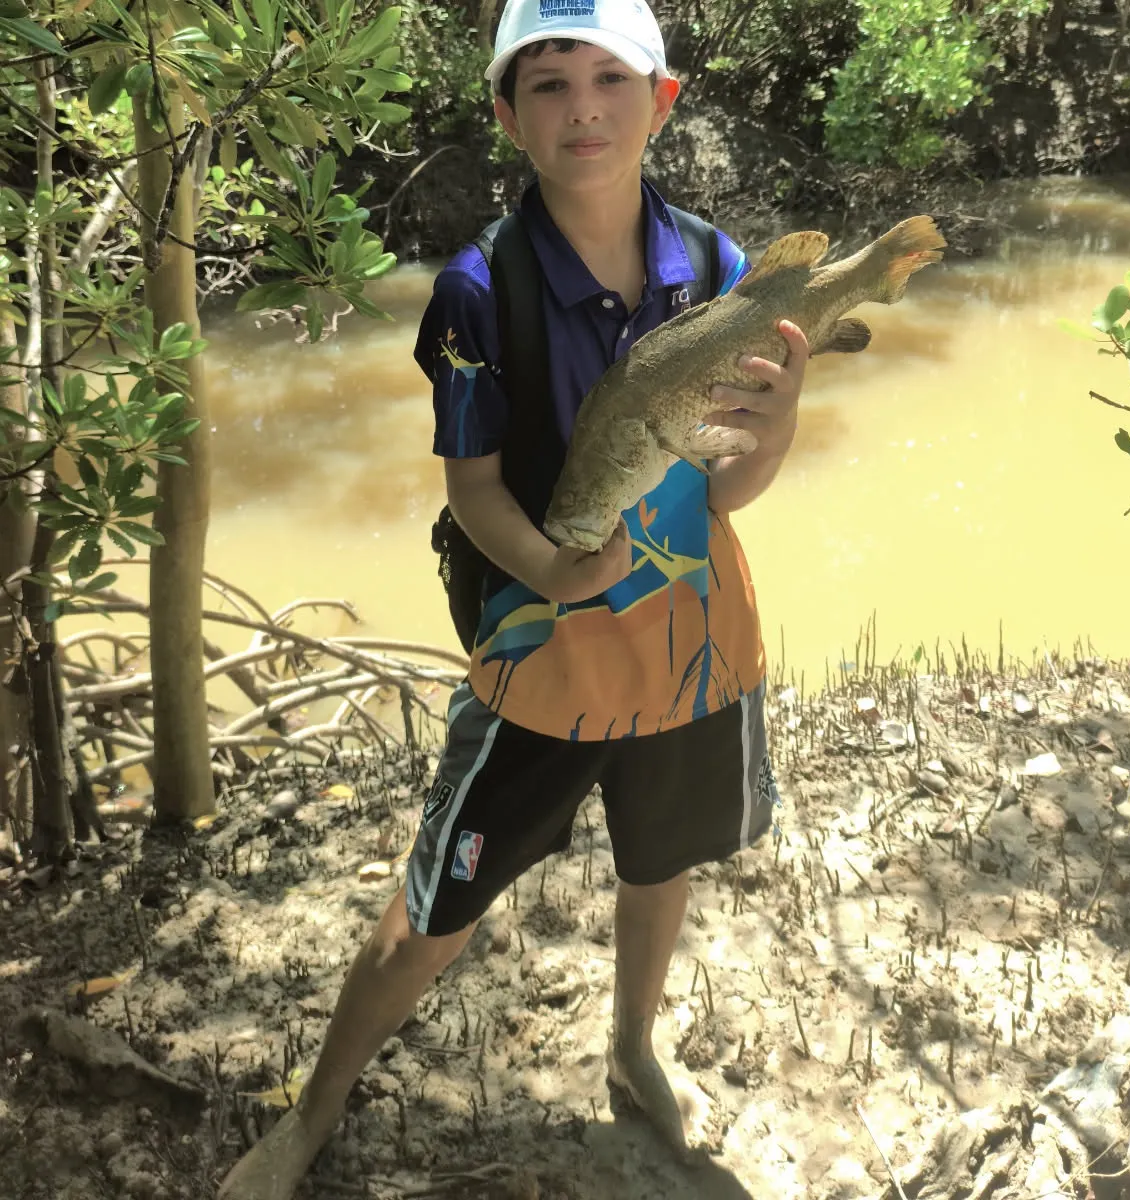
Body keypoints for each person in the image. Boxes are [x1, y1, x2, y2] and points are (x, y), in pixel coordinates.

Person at [217, 1, 807, 1194]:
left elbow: (730, 491)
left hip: (694, 649)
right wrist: (549, 570)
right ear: (507, 115)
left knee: (660, 863)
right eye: (548, 83)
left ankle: (634, 1048)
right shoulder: (478, 291)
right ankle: (311, 1115)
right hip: (543, 657)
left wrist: (781, 418)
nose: (583, 107)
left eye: (610, 77)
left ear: (663, 100)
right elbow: (476, 490)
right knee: (434, 907)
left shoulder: (719, 268)